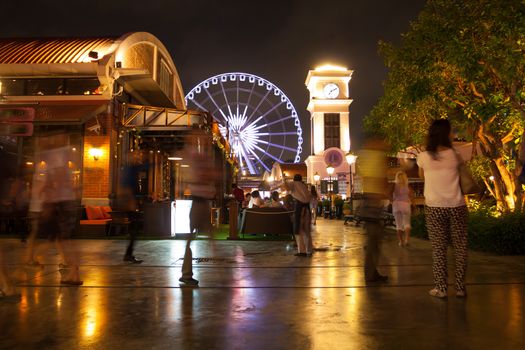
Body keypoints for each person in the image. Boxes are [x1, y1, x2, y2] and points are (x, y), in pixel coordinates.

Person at [417, 119, 468, 299]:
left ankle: (441, 288)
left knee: (439, 249)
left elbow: (422, 176)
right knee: (460, 248)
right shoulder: (456, 155)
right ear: (447, 134)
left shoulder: (423, 157)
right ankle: (460, 288)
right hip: (457, 205)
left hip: (434, 206)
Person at [179, 126, 218, 286]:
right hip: (199, 202)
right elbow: (201, 174)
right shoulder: (193, 154)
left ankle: (187, 273)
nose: (200, 138)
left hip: (203, 201)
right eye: (197, 135)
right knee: (195, 237)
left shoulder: (199, 154)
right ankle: (186, 274)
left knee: (205, 236)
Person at [356, 136, 389, 283]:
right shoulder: (375, 156)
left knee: (373, 240)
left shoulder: (363, 155)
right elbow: (377, 177)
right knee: (374, 240)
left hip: (369, 199)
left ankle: (372, 272)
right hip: (373, 200)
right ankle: (370, 274)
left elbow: (361, 173)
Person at [283, 174, 313, 257]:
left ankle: (302, 250)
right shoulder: (304, 186)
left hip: (299, 209)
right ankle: (309, 249)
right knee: (306, 231)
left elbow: (286, 187)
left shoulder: (294, 184)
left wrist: (284, 179)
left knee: (298, 230)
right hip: (306, 209)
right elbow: (309, 197)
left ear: (294, 179)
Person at [392, 171, 413, 247]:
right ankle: (407, 239)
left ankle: (401, 242)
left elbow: (390, 193)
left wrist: (392, 201)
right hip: (406, 205)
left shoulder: (394, 186)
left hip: (396, 205)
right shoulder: (407, 186)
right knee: (407, 224)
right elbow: (411, 195)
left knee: (398, 225)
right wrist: (410, 201)